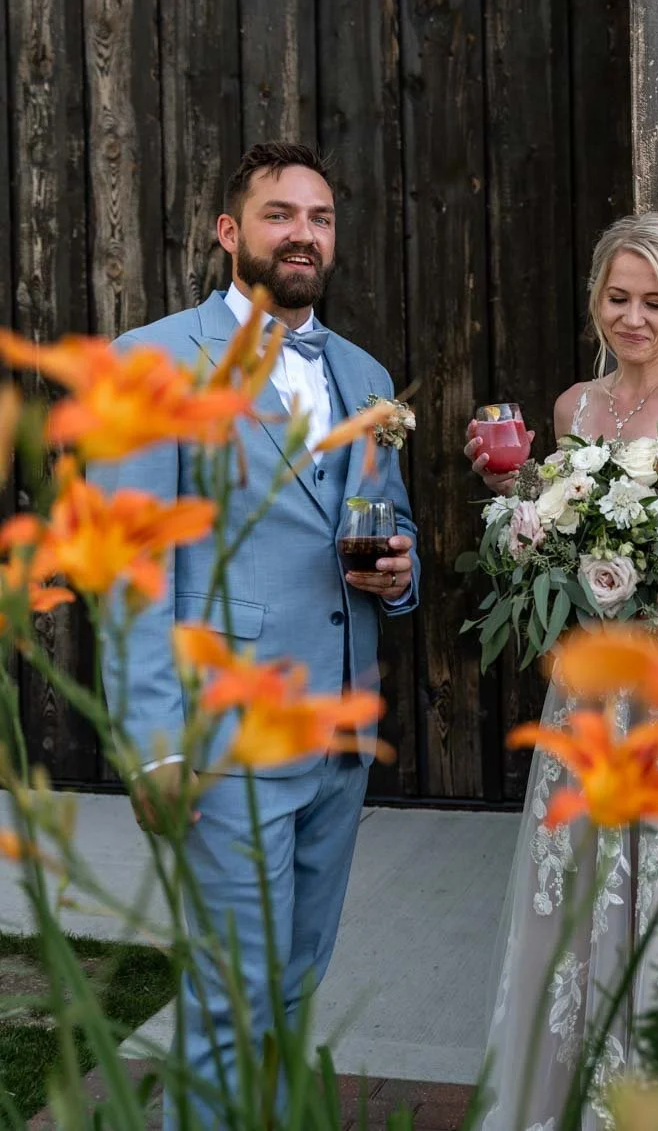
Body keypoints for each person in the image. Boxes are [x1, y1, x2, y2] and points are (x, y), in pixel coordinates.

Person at [94, 141, 419, 1128]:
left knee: (288, 988)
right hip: (223, 741)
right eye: (280, 215)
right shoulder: (149, 363)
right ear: (228, 232)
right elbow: (129, 576)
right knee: (231, 994)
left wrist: (400, 572)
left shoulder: (363, 374)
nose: (303, 235)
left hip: (338, 737)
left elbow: (388, 524)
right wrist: (154, 752)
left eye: (319, 219)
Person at [464, 212, 658, 1131]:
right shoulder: (572, 410)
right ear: (597, 300)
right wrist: (520, 517)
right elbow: (558, 542)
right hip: (588, 696)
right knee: (583, 896)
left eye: (653, 301)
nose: (634, 318)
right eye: (618, 298)